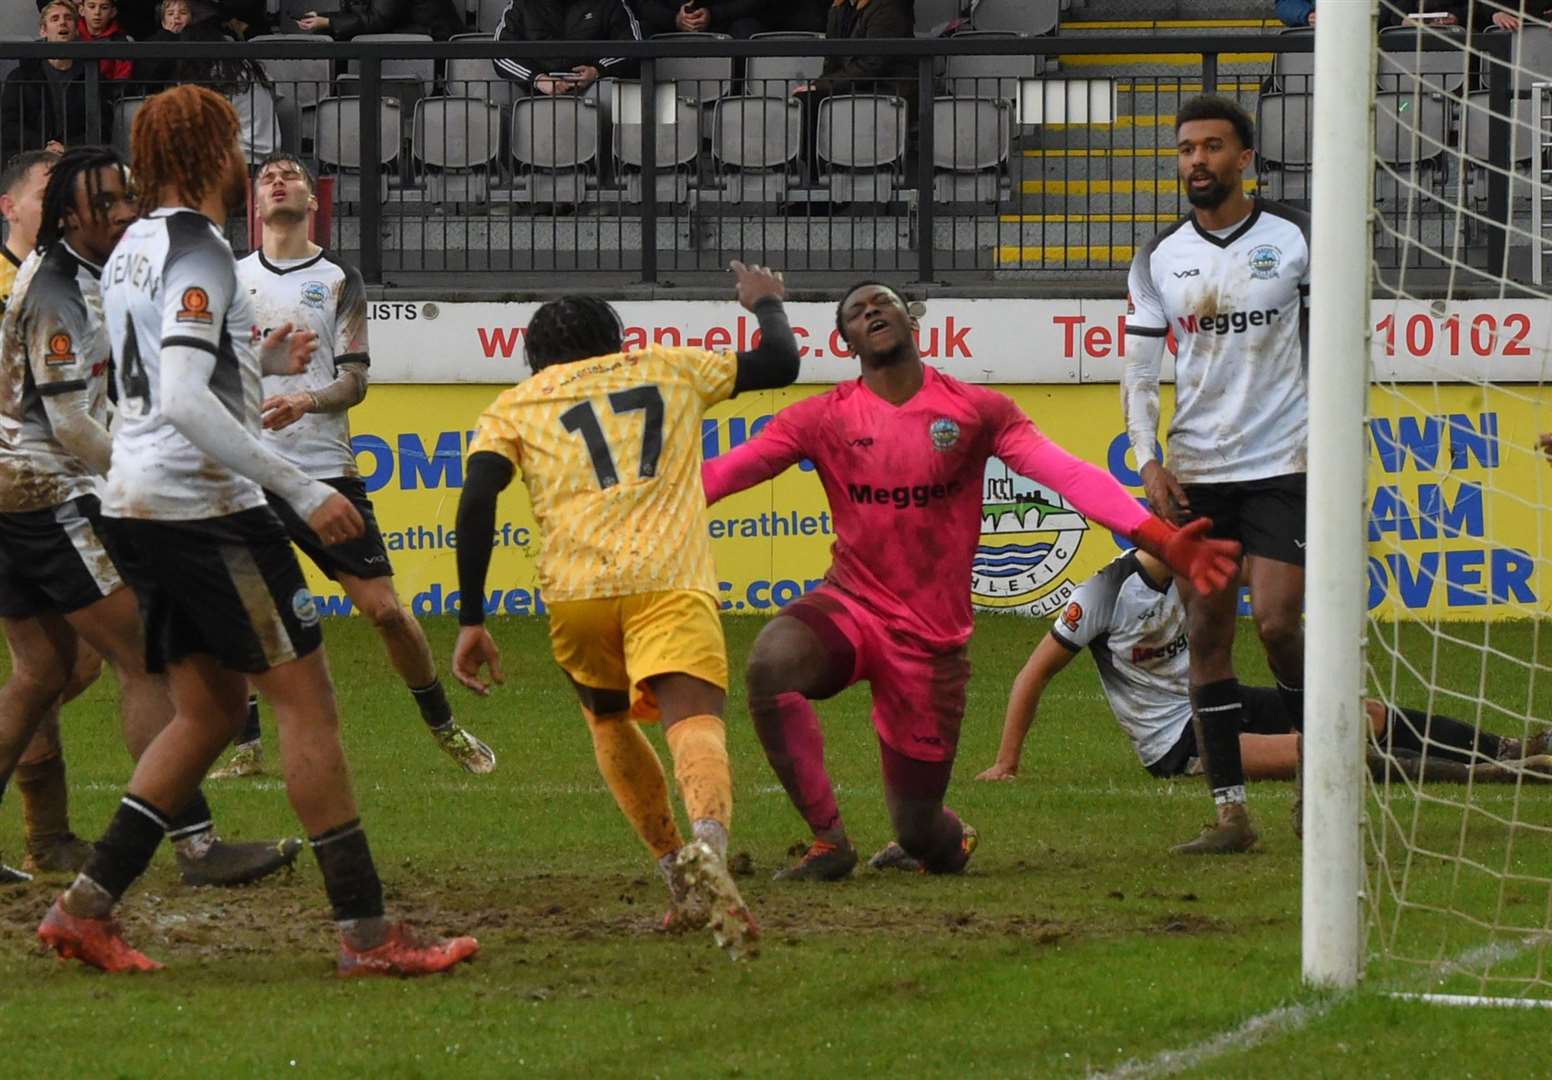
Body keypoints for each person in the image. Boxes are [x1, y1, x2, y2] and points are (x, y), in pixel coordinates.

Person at [36, 87, 477, 977]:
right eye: (235, 143)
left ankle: (83, 910)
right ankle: (367, 936)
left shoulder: (132, 249)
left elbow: (159, 370)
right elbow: (185, 398)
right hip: (205, 508)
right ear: (214, 154)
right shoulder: (200, 248)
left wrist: (257, 360)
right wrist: (302, 489)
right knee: (306, 707)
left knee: (208, 713)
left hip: (136, 503)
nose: (245, 157)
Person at [701, 282, 1240, 882]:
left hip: (931, 644)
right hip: (851, 603)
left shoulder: (977, 411)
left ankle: (946, 840)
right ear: (844, 340)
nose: (872, 311)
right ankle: (830, 841)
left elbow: (1068, 475)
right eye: (856, 310)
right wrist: (633, 500)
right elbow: (723, 473)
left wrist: (1159, 539)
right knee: (770, 663)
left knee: (920, 829)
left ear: (912, 321)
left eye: (883, 303)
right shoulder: (822, 418)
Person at [451, 262, 800, 960]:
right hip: (667, 577)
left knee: (607, 719)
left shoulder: (517, 403)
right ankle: (709, 846)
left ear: (535, 356)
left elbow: (478, 497)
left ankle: (677, 875)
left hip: (579, 592)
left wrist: (470, 615)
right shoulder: (670, 366)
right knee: (692, 721)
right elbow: (780, 364)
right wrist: (765, 305)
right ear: (618, 339)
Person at [0, 146, 308, 890]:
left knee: (39, 673)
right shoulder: (55, 292)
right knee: (142, 658)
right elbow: (72, 422)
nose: (123, 212)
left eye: (126, 198)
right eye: (104, 203)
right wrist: (134, 480)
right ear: (69, 215)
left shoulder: (90, 274)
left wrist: (256, 363)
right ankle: (197, 846)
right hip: (49, 492)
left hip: (20, 489)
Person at [207, 150, 497, 779]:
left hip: (323, 470)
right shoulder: (229, 279)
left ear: (313, 202)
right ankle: (247, 747)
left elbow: (356, 380)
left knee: (386, 611)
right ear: (254, 204)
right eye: (266, 178)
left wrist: (306, 399)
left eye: (291, 178)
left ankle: (444, 727)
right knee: (246, 612)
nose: (277, 183)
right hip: (247, 471)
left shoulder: (340, 279)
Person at [1123, 95, 1311, 855]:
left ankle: (1314, 777)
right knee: (1206, 632)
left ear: (1245, 159)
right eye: (1185, 150)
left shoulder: (1296, 236)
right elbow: (1140, 370)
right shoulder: (1159, 254)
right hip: (1200, 467)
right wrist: (1148, 457)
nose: (1196, 160)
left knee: (1274, 623)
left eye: (1211, 147)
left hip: (1284, 462)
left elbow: (1330, 339)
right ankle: (1231, 814)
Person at [972, 548, 1552, 791]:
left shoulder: (1207, 565)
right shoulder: (1104, 592)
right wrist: (1006, 762)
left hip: (1222, 696)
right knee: (1318, 751)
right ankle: (1507, 776)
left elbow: (1269, 580)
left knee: (1364, 713)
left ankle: (1507, 746)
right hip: (1177, 738)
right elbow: (1033, 674)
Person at [0, 147, 107, 879]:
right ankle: (191, 837)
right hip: (31, 483)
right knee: (127, 651)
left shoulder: (64, 278)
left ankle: (49, 837)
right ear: (11, 204)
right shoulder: (38, 285)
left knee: (51, 668)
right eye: (49, 184)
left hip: (37, 481)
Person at [0, 3, 111, 164]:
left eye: (68, 18)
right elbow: (9, 125)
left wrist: (67, 148)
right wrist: (44, 147)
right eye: (55, 18)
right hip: (28, 158)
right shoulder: (21, 76)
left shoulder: (92, 76)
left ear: (76, 29)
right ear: (43, 30)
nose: (62, 22)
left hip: (76, 159)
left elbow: (103, 125)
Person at [491, 0, 643, 96]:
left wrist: (597, 71)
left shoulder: (609, 3)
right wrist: (537, 79)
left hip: (592, 86)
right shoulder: (522, 4)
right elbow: (500, 52)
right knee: (498, 95)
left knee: (610, 94)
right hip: (534, 88)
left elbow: (633, 44)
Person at [298, 0, 464, 39]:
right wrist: (322, 18)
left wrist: (328, 22)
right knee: (326, 32)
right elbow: (363, 11)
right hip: (407, 32)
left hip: (431, 37)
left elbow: (379, 19)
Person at [637, 0, 771, 38]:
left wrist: (714, 14)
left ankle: (741, 99)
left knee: (747, 30)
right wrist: (675, 19)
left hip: (727, 23)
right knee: (639, 33)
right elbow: (643, 5)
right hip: (666, 26)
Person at [77, 0, 135, 84]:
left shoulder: (122, 41)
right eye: (92, 7)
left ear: (113, 12)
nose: (97, 12)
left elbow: (122, 80)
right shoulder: (72, 37)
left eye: (104, 8)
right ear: (81, 10)